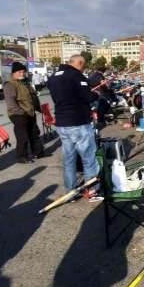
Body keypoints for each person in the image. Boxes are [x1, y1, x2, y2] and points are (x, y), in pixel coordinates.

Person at [47, 55, 99, 191]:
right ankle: (92, 190)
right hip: (78, 122)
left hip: (62, 123)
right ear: (80, 63)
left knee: (69, 160)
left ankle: (70, 191)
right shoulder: (77, 76)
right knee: (89, 159)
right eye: (84, 66)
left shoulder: (53, 76)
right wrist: (95, 95)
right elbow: (87, 97)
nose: (83, 69)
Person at [3, 62, 47, 164]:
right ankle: (21, 156)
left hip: (29, 112)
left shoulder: (24, 83)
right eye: (19, 72)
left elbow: (32, 97)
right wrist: (21, 112)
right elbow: (11, 102)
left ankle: (38, 152)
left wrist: (38, 109)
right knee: (22, 136)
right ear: (14, 73)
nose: (22, 73)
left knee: (34, 132)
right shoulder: (10, 84)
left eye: (23, 72)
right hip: (18, 114)